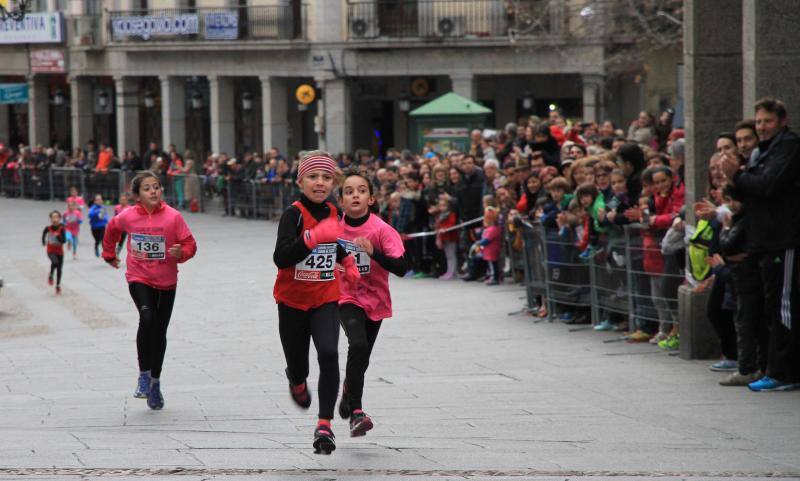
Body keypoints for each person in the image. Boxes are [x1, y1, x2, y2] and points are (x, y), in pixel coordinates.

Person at [272, 151, 360, 454]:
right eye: (313, 177)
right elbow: (281, 257)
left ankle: (325, 425)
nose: (320, 183)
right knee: (299, 365)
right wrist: (310, 238)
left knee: (329, 353)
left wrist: (347, 262)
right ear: (300, 182)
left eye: (326, 177)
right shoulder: (293, 214)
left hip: (325, 298)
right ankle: (296, 380)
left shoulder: (333, 211)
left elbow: (332, 244)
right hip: (292, 302)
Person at [721, 98, 800, 392]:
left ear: (781, 121)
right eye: (759, 122)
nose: (762, 127)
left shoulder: (789, 147)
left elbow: (768, 184)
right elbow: (747, 192)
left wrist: (738, 175)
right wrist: (733, 181)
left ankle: (785, 372)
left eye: (767, 121)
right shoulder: (759, 152)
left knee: (784, 307)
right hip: (762, 240)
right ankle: (773, 367)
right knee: (770, 307)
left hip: (783, 239)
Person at [102, 171, 197, 410]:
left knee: (159, 331)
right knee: (147, 318)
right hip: (139, 277)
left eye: (156, 186)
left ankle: (155, 382)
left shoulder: (173, 217)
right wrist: (109, 254)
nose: (153, 191)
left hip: (166, 282)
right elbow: (112, 228)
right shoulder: (128, 216)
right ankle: (143, 376)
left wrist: (181, 253)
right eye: (147, 188)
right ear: (137, 195)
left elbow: (190, 244)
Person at [336, 171, 406, 437]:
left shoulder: (382, 230)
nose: (355, 195)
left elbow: (402, 267)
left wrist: (373, 252)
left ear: (371, 198)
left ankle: (348, 391)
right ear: (341, 200)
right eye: (349, 191)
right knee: (358, 345)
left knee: (361, 358)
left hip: (374, 299)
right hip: (344, 296)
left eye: (361, 190)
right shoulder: (332, 228)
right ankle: (357, 413)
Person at [42, 210, 66, 295]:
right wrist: (43, 241)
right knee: (55, 262)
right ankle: (51, 275)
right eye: (53, 217)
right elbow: (44, 233)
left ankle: (58, 286)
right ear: (51, 219)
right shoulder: (48, 228)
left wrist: (58, 236)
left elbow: (64, 241)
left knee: (59, 269)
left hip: (60, 251)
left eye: (56, 217)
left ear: (59, 218)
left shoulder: (62, 228)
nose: (55, 219)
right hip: (50, 250)